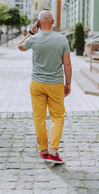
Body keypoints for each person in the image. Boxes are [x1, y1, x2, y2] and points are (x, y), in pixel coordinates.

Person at [18, 10, 72, 164]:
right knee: (57, 117)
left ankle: (43, 150)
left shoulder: (34, 39)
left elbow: (20, 46)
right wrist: (68, 83)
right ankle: (53, 150)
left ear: (39, 23)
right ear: (53, 22)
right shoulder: (62, 39)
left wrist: (31, 32)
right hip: (55, 84)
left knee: (39, 118)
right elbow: (67, 63)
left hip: (37, 84)